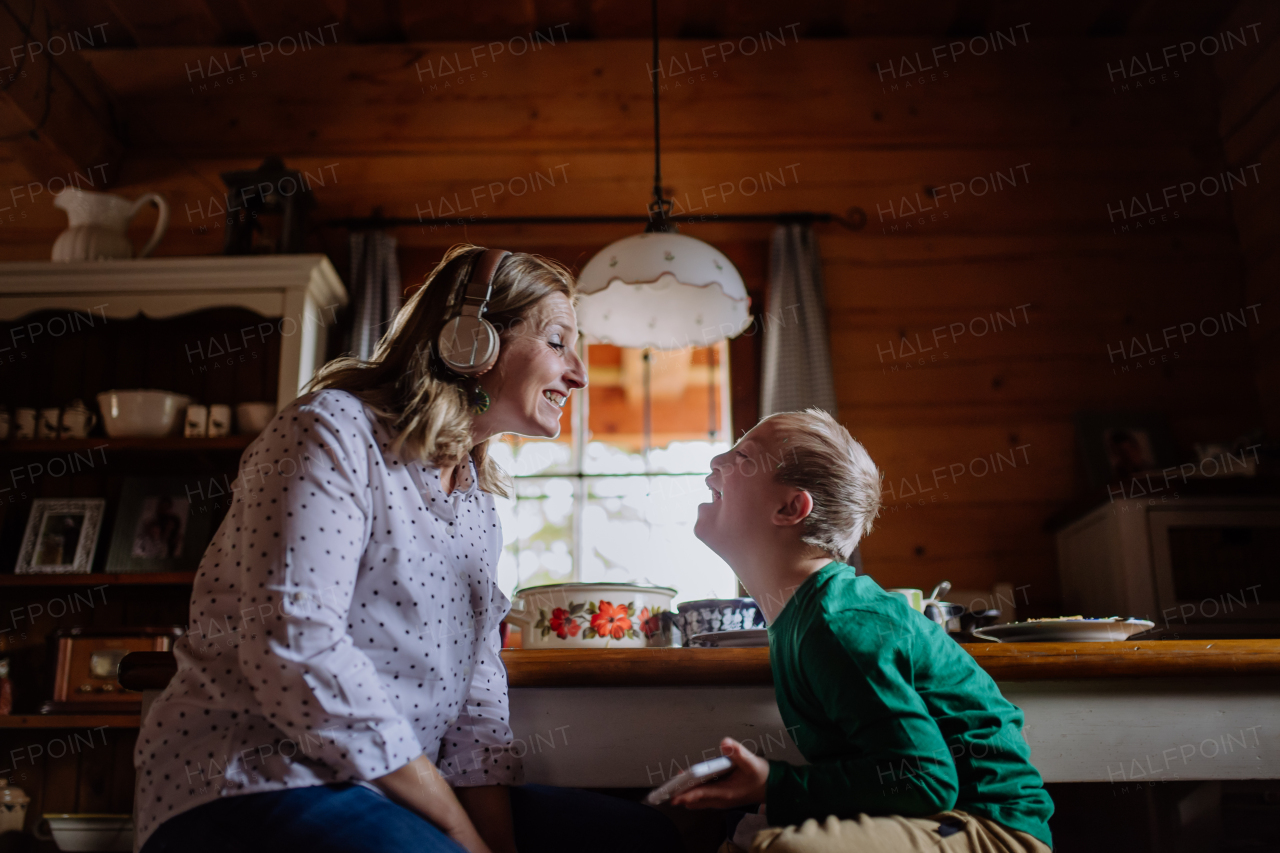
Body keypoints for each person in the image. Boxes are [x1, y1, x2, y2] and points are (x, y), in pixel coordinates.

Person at [134, 245, 681, 853]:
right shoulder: (329, 431)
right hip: (253, 782)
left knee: (649, 838)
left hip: (396, 795)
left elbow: (477, 701)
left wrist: (491, 843)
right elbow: (296, 648)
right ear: (470, 341)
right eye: (558, 342)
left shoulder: (476, 503)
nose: (579, 373)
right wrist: (454, 830)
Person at [672, 409, 1054, 853]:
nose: (716, 462)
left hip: (987, 827)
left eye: (742, 455)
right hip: (926, 815)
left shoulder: (838, 624)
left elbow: (924, 779)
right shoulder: (804, 617)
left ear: (790, 507)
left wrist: (776, 784)